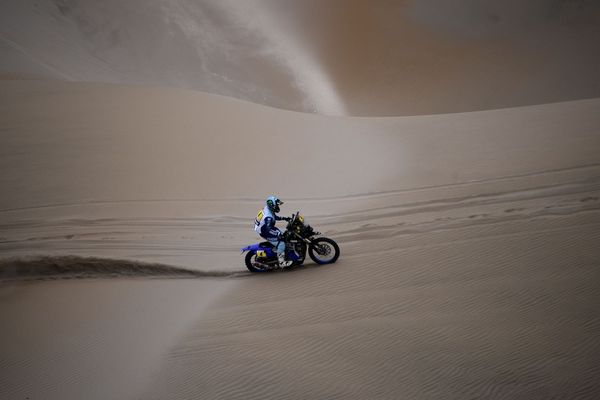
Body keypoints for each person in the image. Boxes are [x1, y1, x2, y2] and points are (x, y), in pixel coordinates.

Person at [254, 195, 292, 267]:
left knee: (284, 234)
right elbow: (268, 228)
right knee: (281, 242)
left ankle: (279, 251)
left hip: (265, 227)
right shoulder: (268, 217)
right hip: (265, 230)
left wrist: (285, 218)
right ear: (272, 205)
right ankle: (281, 262)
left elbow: (274, 217)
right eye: (277, 205)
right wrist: (278, 235)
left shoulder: (268, 209)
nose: (278, 207)